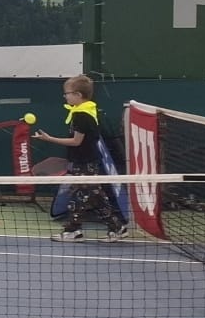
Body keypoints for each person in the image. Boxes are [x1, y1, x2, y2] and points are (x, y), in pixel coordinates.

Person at [35, 75, 132, 241]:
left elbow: (76, 141)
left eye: (67, 93)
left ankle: (75, 230)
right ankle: (115, 228)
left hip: (85, 163)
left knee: (83, 196)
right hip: (83, 162)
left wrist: (49, 139)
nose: (65, 96)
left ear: (78, 95)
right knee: (92, 196)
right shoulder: (85, 111)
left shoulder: (81, 115)